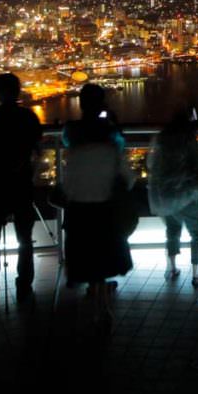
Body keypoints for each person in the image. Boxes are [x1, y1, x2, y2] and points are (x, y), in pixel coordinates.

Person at [60, 84, 135, 332]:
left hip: (78, 211)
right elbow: (127, 177)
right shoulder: (112, 138)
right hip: (105, 210)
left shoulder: (72, 134)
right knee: (103, 262)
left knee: (87, 260)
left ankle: (94, 304)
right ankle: (102, 309)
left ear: (81, 104)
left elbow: (67, 183)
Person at [0, 73, 43, 305]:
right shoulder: (28, 117)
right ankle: (25, 281)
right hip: (21, 184)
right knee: (24, 237)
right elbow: (37, 149)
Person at [148, 109, 198, 287]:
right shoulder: (188, 138)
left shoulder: (161, 137)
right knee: (196, 232)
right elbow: (195, 164)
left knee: (172, 230)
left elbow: (151, 163)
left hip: (163, 194)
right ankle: (196, 275)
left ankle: (171, 268)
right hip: (185, 193)